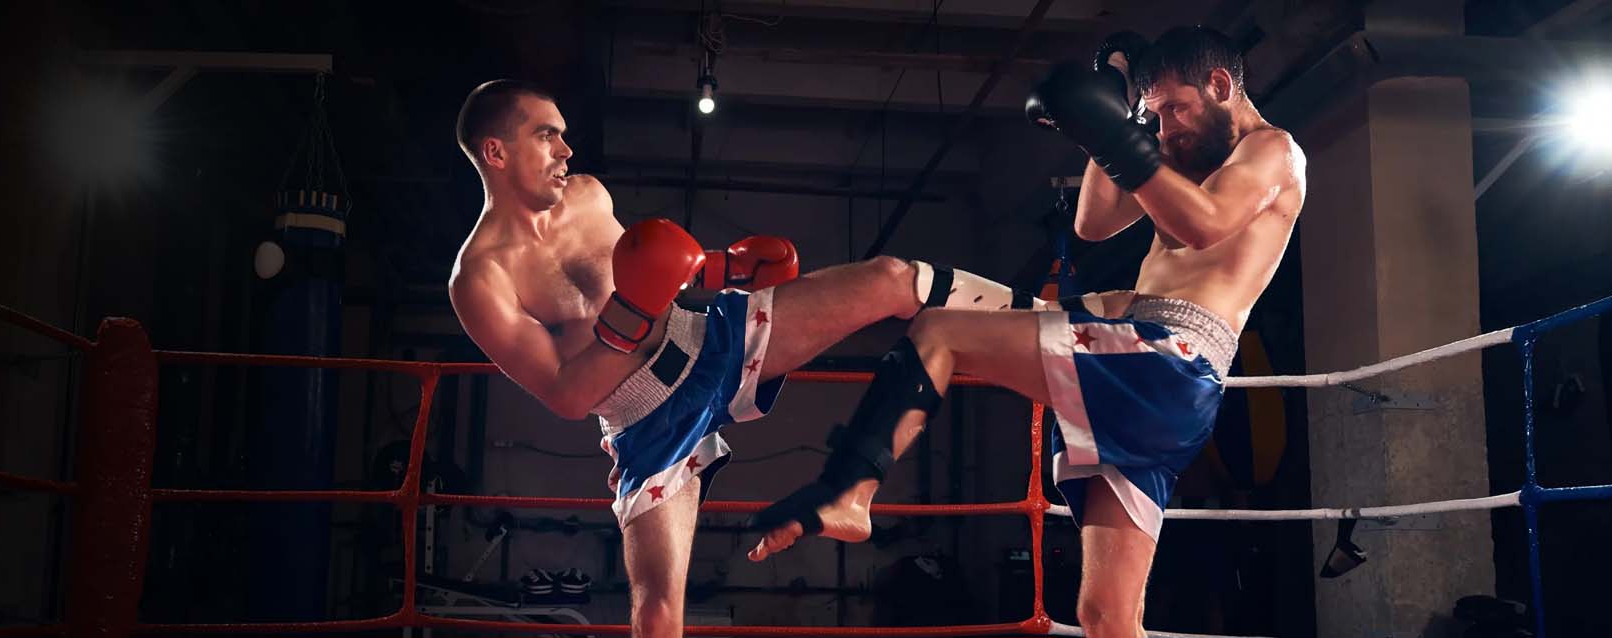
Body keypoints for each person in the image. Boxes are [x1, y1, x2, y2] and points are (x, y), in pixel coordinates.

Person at [746, 27, 1307, 638]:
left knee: (939, 332)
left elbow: (1206, 225)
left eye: (1176, 108)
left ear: (1220, 85)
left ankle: (849, 492)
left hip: (1165, 358)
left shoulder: (1271, 150)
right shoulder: (1177, 156)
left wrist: (1117, 134)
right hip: (1144, 380)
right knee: (1106, 616)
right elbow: (1093, 223)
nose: (1166, 127)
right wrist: (1112, 118)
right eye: (1156, 113)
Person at [445, 79, 1046, 637]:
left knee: (890, 278)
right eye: (546, 135)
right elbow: (567, 394)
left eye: (562, 134)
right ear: (496, 152)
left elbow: (658, 274)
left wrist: (723, 268)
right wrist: (635, 309)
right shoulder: (480, 278)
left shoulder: (587, 196)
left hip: (708, 342)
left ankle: (1046, 316)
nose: (566, 150)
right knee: (657, 611)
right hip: (647, 420)